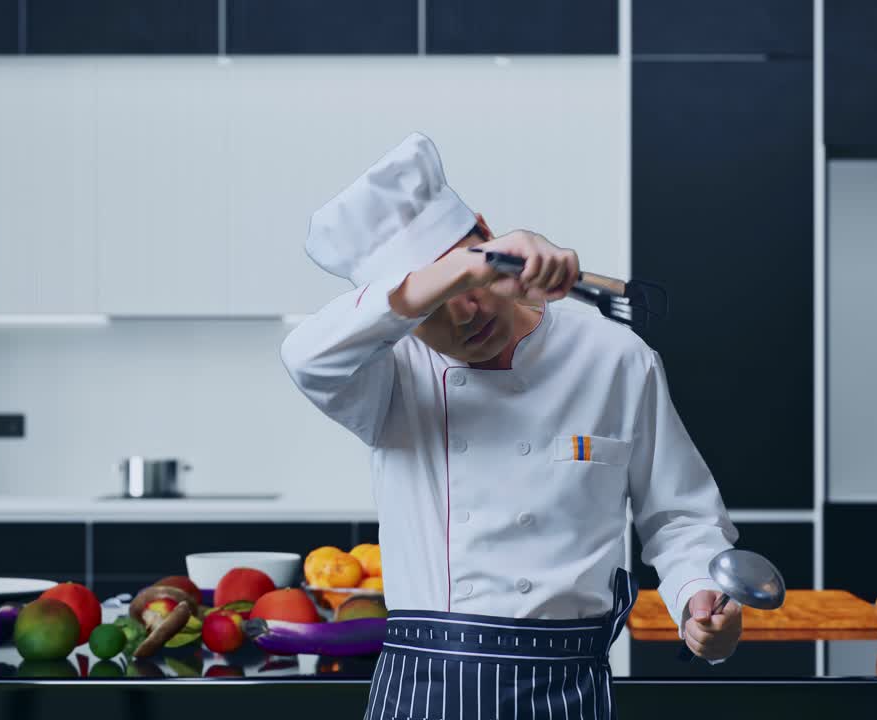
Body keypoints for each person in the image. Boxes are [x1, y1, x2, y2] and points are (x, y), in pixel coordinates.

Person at [282, 133, 741, 720]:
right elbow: (305, 357)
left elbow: (681, 518)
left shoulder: (614, 358)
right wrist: (462, 268)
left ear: (487, 229)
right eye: (437, 297)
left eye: (472, 282)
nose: (465, 311)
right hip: (425, 690)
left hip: (567, 689)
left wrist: (698, 598)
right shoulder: (389, 376)